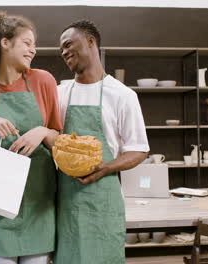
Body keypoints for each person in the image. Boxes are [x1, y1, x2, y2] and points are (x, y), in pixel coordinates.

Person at [0, 11, 62, 264]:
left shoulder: (43, 81)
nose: (33, 50)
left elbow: (58, 139)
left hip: (39, 200)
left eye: (34, 45)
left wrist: (42, 131)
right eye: (27, 43)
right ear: (5, 43)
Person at [55, 20, 150, 264]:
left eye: (68, 44)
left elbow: (139, 150)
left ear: (91, 42)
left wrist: (106, 167)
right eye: (61, 49)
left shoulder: (122, 95)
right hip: (65, 202)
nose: (64, 52)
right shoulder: (60, 93)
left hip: (103, 202)